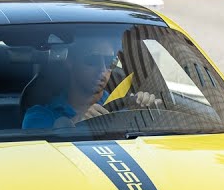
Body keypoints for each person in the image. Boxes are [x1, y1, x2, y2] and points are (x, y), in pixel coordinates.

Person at [22, 35, 158, 129]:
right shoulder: (39, 116)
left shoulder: (124, 107)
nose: (103, 69)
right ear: (70, 62)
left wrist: (145, 115)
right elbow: (38, 156)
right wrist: (75, 124)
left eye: (109, 62)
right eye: (92, 60)